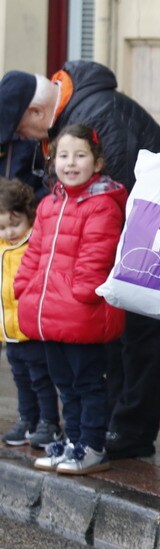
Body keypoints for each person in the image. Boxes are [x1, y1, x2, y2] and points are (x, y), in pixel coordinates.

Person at [0, 61, 160, 461]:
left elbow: (105, 211)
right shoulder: (77, 112)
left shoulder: (95, 116)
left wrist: (81, 289)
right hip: (138, 252)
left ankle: (122, 433)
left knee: (140, 340)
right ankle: (105, 431)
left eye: (19, 130)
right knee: (111, 354)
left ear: (35, 113)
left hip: (155, 250)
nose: (23, 138)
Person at [15, 124, 127, 475]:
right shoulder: (49, 204)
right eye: (63, 155)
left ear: (97, 163)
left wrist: (79, 296)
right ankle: (73, 439)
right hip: (51, 314)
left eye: (80, 155)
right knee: (64, 383)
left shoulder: (102, 205)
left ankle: (92, 445)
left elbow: (96, 257)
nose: (70, 162)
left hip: (81, 313)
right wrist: (23, 286)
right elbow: (35, 252)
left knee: (88, 383)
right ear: (52, 161)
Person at [0, 178, 61, 449]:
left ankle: (49, 422)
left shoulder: (33, 246)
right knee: (21, 378)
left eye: (15, 224)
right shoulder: (2, 249)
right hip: (9, 331)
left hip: (31, 329)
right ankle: (28, 419)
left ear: (29, 217)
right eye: (2, 227)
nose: (10, 232)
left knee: (40, 378)